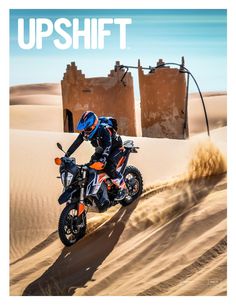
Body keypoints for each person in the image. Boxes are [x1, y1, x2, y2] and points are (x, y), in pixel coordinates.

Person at [65, 111, 128, 204]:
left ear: (94, 125)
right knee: (90, 167)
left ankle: (123, 188)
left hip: (116, 148)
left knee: (109, 167)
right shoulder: (86, 132)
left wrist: (103, 159)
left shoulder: (104, 130)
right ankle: (103, 185)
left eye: (88, 129)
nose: (85, 132)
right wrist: (67, 155)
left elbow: (108, 145)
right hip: (102, 149)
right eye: (84, 129)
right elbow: (76, 143)